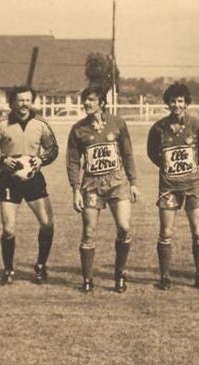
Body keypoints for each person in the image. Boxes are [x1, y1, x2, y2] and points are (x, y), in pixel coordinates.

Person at [0, 86, 58, 285]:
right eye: (20, 100)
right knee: (8, 229)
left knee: (47, 224)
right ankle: (8, 270)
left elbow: (53, 149)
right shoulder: (2, 124)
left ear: (32, 102)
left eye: (27, 100)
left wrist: (41, 159)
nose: (24, 104)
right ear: (12, 102)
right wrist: (3, 159)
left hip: (34, 180)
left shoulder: (41, 124)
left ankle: (41, 266)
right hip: (8, 180)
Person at [66, 86, 138, 293]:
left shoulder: (118, 124)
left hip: (117, 182)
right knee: (89, 231)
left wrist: (133, 182)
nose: (86, 103)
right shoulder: (78, 129)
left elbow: (128, 154)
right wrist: (75, 189)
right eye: (85, 100)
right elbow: (73, 162)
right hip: (91, 186)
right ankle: (88, 279)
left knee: (124, 227)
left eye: (91, 100)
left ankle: (120, 272)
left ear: (102, 103)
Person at [146, 83, 199, 290]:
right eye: (172, 101)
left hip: (192, 185)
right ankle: (165, 277)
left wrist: (188, 167)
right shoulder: (158, 128)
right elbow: (152, 153)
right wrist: (168, 168)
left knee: (198, 230)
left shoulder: (197, 124)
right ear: (167, 103)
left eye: (180, 101)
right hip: (168, 187)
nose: (176, 104)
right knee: (166, 231)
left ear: (186, 103)